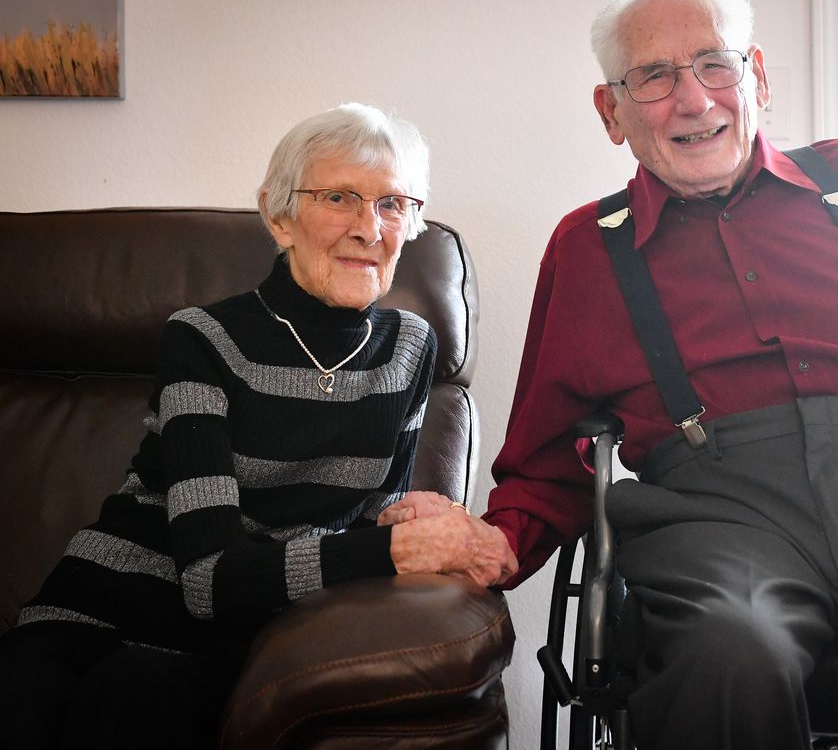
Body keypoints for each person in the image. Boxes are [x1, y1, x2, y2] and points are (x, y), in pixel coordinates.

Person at [409, 0, 838, 750]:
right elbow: (548, 458)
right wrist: (499, 542)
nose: (693, 100)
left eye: (714, 64)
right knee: (730, 655)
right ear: (612, 112)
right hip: (719, 519)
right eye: (654, 77)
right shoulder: (589, 250)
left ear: (756, 75)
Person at [0, 102, 516, 749]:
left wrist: (419, 524)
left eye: (392, 204)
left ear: (411, 223)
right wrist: (396, 549)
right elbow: (210, 578)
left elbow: (369, 522)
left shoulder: (411, 350)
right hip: (101, 608)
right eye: (339, 197)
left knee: (138, 693)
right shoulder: (205, 339)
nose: (369, 228)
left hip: (244, 633)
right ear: (279, 215)